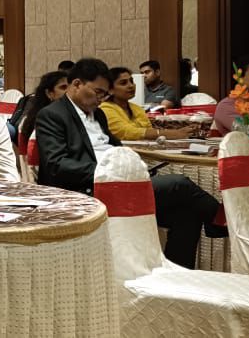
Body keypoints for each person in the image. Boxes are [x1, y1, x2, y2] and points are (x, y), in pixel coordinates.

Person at [34, 58, 223, 268]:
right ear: (77, 84)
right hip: (87, 189)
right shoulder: (52, 115)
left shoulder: (98, 114)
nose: (101, 99)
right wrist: (109, 171)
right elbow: (56, 164)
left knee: (187, 212)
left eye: (104, 94)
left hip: (118, 182)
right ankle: (220, 220)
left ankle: (177, 274)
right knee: (180, 184)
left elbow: (115, 146)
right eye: (98, 92)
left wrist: (131, 165)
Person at [102, 67, 192, 141]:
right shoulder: (105, 109)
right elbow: (127, 132)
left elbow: (149, 130)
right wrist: (172, 133)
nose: (131, 86)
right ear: (110, 90)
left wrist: (175, 134)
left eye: (131, 81)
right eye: (123, 83)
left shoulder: (136, 108)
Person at [18, 71, 70, 143]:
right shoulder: (42, 122)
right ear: (49, 93)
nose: (68, 91)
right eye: (63, 87)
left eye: (70, 87)